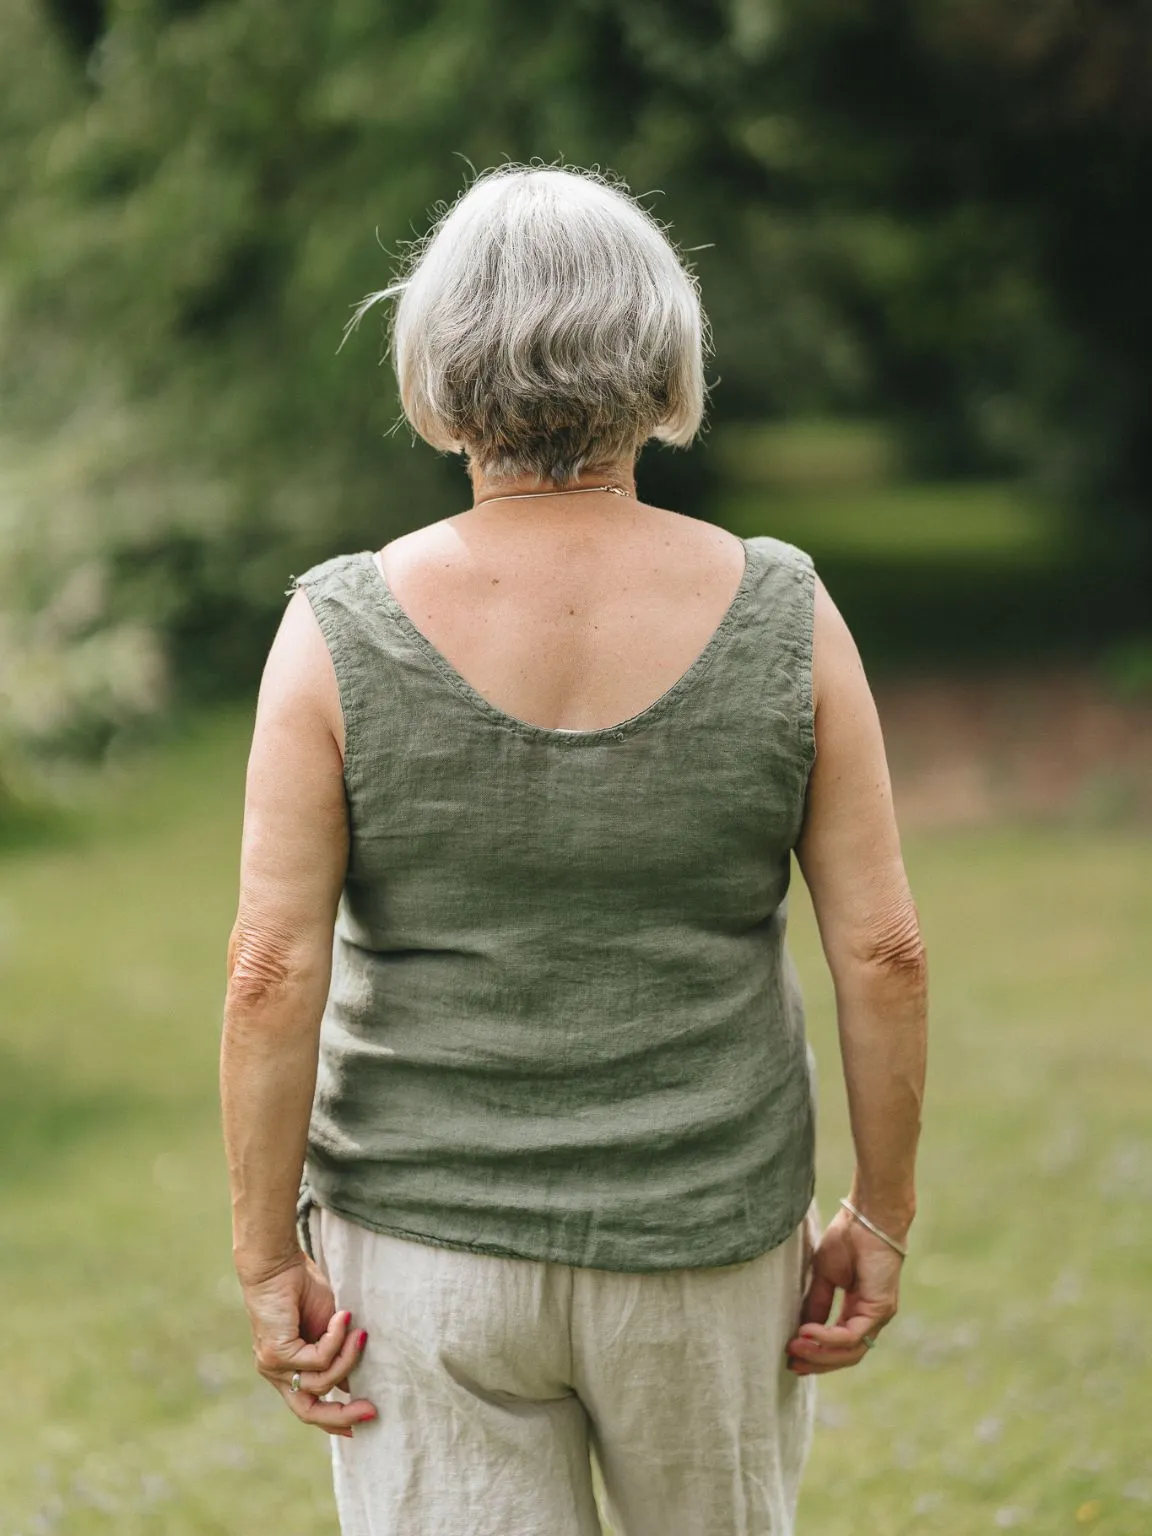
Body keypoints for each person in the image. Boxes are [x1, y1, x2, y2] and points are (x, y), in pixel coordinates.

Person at [220, 163, 927, 1536]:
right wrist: (881, 1216)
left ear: (435, 369)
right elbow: (885, 949)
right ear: (661, 355)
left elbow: (267, 968)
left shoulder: (338, 630)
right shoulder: (785, 612)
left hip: (422, 1260)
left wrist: (262, 1256)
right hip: (706, 1246)